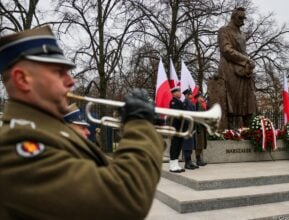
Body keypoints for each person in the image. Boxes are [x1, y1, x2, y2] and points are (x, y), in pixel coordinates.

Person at [0, 26, 165, 219]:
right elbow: (124, 197)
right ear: (22, 79)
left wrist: (147, 130)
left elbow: (107, 172)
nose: (71, 80)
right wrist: (140, 126)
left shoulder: (53, 131)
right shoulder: (14, 148)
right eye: (59, 72)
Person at [210, 7, 256, 129]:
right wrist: (246, 60)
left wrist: (248, 63)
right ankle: (228, 133)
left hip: (243, 71)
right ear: (233, 16)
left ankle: (249, 132)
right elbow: (226, 50)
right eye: (240, 18)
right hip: (229, 70)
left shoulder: (242, 34)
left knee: (246, 103)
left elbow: (243, 52)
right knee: (231, 103)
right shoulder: (224, 31)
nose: (243, 21)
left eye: (244, 18)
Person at [168, 86, 186, 172]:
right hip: (175, 128)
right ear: (174, 93)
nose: (180, 93)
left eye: (179, 91)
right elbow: (177, 115)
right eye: (178, 91)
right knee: (174, 146)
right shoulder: (173, 102)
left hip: (180, 128)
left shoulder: (179, 102)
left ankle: (176, 164)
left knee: (179, 146)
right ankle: (172, 166)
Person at [182, 88, 199, 170]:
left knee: (191, 145)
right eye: (190, 94)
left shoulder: (191, 103)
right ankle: (187, 162)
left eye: (191, 94)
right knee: (187, 145)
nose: (191, 95)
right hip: (187, 127)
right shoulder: (185, 103)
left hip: (192, 126)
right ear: (186, 95)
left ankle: (190, 161)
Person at [195, 92, 208, 166]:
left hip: (202, 127)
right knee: (199, 144)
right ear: (197, 98)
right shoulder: (197, 105)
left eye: (202, 97)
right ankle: (198, 159)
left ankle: (200, 159)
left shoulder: (201, 105)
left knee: (201, 144)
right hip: (199, 127)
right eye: (200, 97)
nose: (202, 98)